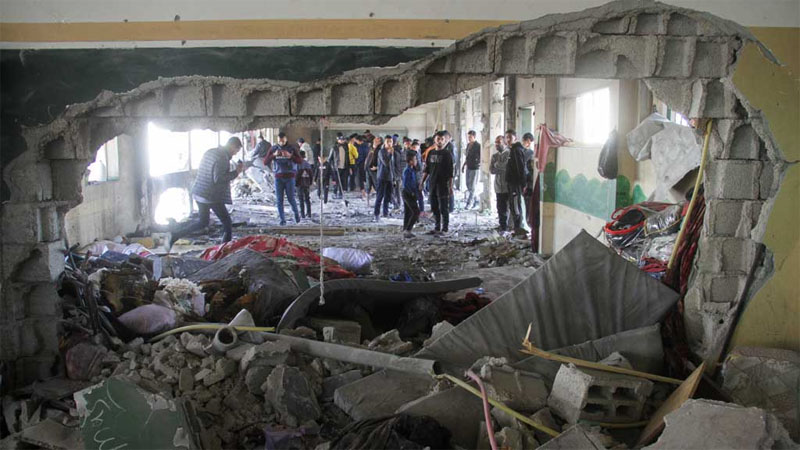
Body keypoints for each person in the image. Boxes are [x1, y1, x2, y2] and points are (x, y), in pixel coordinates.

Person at [186, 137, 244, 242]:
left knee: (203, 222)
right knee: (227, 223)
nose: (235, 153)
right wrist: (236, 172)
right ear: (232, 146)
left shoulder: (212, 152)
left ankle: (174, 234)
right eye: (236, 150)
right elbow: (218, 178)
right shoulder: (222, 157)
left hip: (199, 191)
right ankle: (225, 250)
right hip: (211, 195)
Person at [420, 131, 454, 235]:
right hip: (432, 183)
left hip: (443, 184)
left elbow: (450, 173)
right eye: (438, 139)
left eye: (442, 139)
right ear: (434, 140)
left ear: (445, 141)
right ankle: (437, 227)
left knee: (443, 206)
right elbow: (427, 170)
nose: (439, 141)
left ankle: (445, 228)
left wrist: (450, 187)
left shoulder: (447, 154)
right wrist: (422, 182)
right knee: (434, 207)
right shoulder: (431, 153)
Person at [265, 132, 303, 225]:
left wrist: (290, 156)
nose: (281, 142)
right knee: (279, 200)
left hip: (290, 177)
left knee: (291, 198)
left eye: (283, 140)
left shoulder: (292, 148)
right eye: (279, 141)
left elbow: (300, 161)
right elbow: (265, 161)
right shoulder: (273, 148)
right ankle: (282, 220)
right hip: (278, 177)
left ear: (286, 139)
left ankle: (297, 216)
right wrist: (273, 155)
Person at [505, 129, 527, 235]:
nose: (508, 140)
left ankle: (518, 229)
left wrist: (522, 184)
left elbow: (520, 168)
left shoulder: (516, 150)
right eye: (507, 137)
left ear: (515, 138)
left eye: (510, 137)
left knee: (515, 206)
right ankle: (516, 228)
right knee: (513, 206)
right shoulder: (512, 150)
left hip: (515, 184)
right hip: (511, 183)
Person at [490, 135, 510, 232]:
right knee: (500, 207)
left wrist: (497, 165)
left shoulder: (509, 154)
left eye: (499, 142)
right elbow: (492, 170)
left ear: (504, 143)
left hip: (508, 186)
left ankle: (509, 226)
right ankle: (502, 226)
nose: (497, 144)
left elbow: (507, 167)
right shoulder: (494, 156)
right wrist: (499, 167)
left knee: (509, 207)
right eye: (496, 142)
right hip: (498, 185)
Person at [373, 135, 396, 221]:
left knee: (387, 197)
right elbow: (386, 163)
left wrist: (394, 178)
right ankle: (376, 214)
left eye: (391, 142)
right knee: (380, 196)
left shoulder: (393, 152)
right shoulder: (381, 152)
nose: (389, 144)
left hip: (390, 177)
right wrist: (390, 154)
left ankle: (385, 213)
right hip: (382, 177)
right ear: (385, 143)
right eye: (388, 142)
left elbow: (393, 166)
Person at [402, 152, 421, 238]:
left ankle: (405, 230)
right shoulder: (407, 171)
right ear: (410, 161)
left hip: (410, 193)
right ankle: (408, 229)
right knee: (416, 212)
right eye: (415, 159)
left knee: (408, 212)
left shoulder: (413, 170)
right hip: (408, 193)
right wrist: (412, 193)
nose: (416, 161)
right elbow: (406, 184)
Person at [461, 130, 481, 209]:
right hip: (468, 166)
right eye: (468, 137)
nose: (469, 138)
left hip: (475, 167)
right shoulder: (468, 145)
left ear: (474, 137)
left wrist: (478, 162)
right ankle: (476, 200)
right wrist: (464, 165)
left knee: (472, 186)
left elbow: (480, 156)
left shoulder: (478, 145)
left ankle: (469, 203)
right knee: (468, 185)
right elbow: (467, 156)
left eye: (470, 137)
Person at [329, 134, 349, 198]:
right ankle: (335, 192)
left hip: (344, 167)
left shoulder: (345, 147)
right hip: (336, 167)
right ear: (338, 140)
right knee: (336, 181)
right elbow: (330, 159)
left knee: (343, 181)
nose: (342, 141)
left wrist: (348, 166)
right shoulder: (334, 148)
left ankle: (341, 192)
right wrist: (333, 166)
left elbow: (347, 158)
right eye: (341, 140)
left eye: (343, 140)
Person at [296, 150, 314, 219]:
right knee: (307, 199)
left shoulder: (297, 164)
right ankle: (309, 214)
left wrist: (295, 183)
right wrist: (310, 182)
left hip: (299, 183)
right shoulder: (307, 164)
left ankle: (302, 214)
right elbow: (311, 174)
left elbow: (297, 175)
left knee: (301, 199)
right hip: (306, 183)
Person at [364, 135, 381, 204]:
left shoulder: (380, 150)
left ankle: (378, 202)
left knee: (377, 186)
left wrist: (377, 167)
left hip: (375, 170)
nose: (375, 142)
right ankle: (367, 202)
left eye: (377, 141)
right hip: (368, 169)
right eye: (374, 140)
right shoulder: (370, 148)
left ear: (380, 142)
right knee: (368, 185)